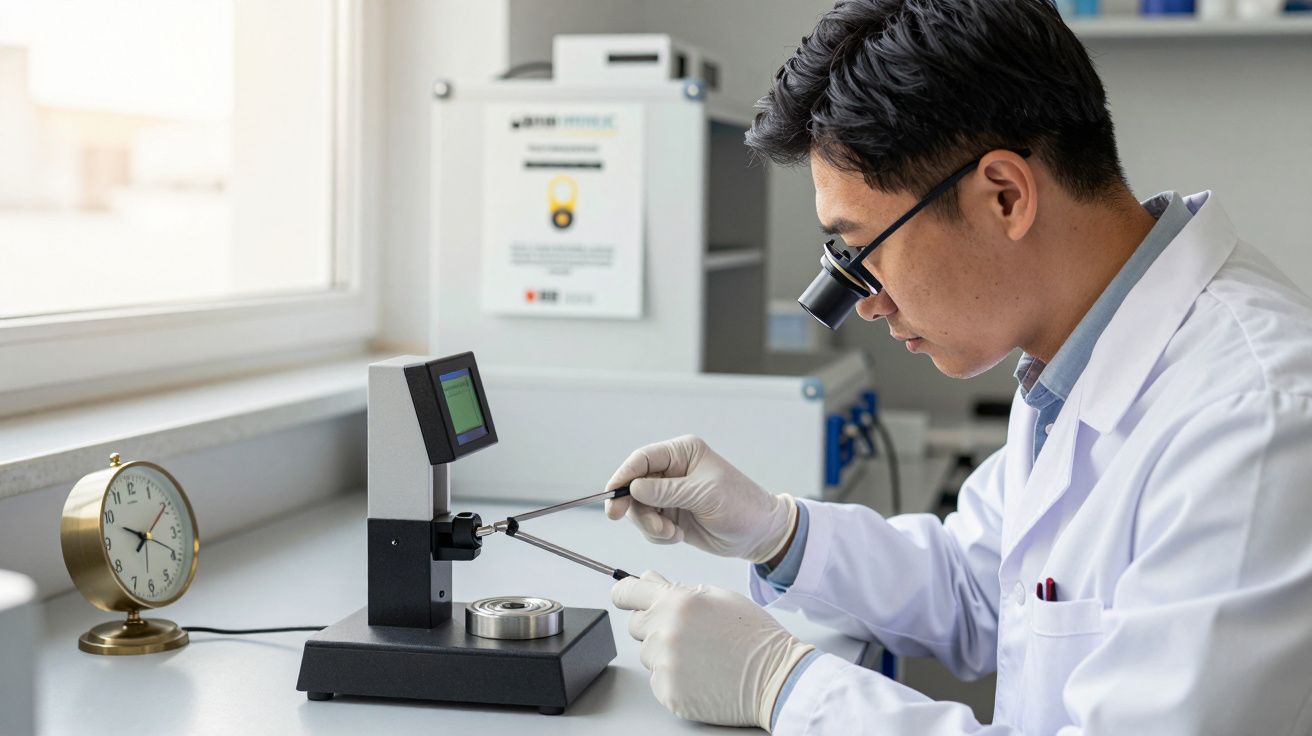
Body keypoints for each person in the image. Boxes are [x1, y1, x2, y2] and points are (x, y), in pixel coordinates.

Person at [603, 0, 1312, 733]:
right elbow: (983, 588)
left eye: (862, 249)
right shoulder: (1075, 356)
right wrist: (775, 532)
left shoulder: (1254, 420)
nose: (867, 303)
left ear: (1004, 195)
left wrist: (782, 686)